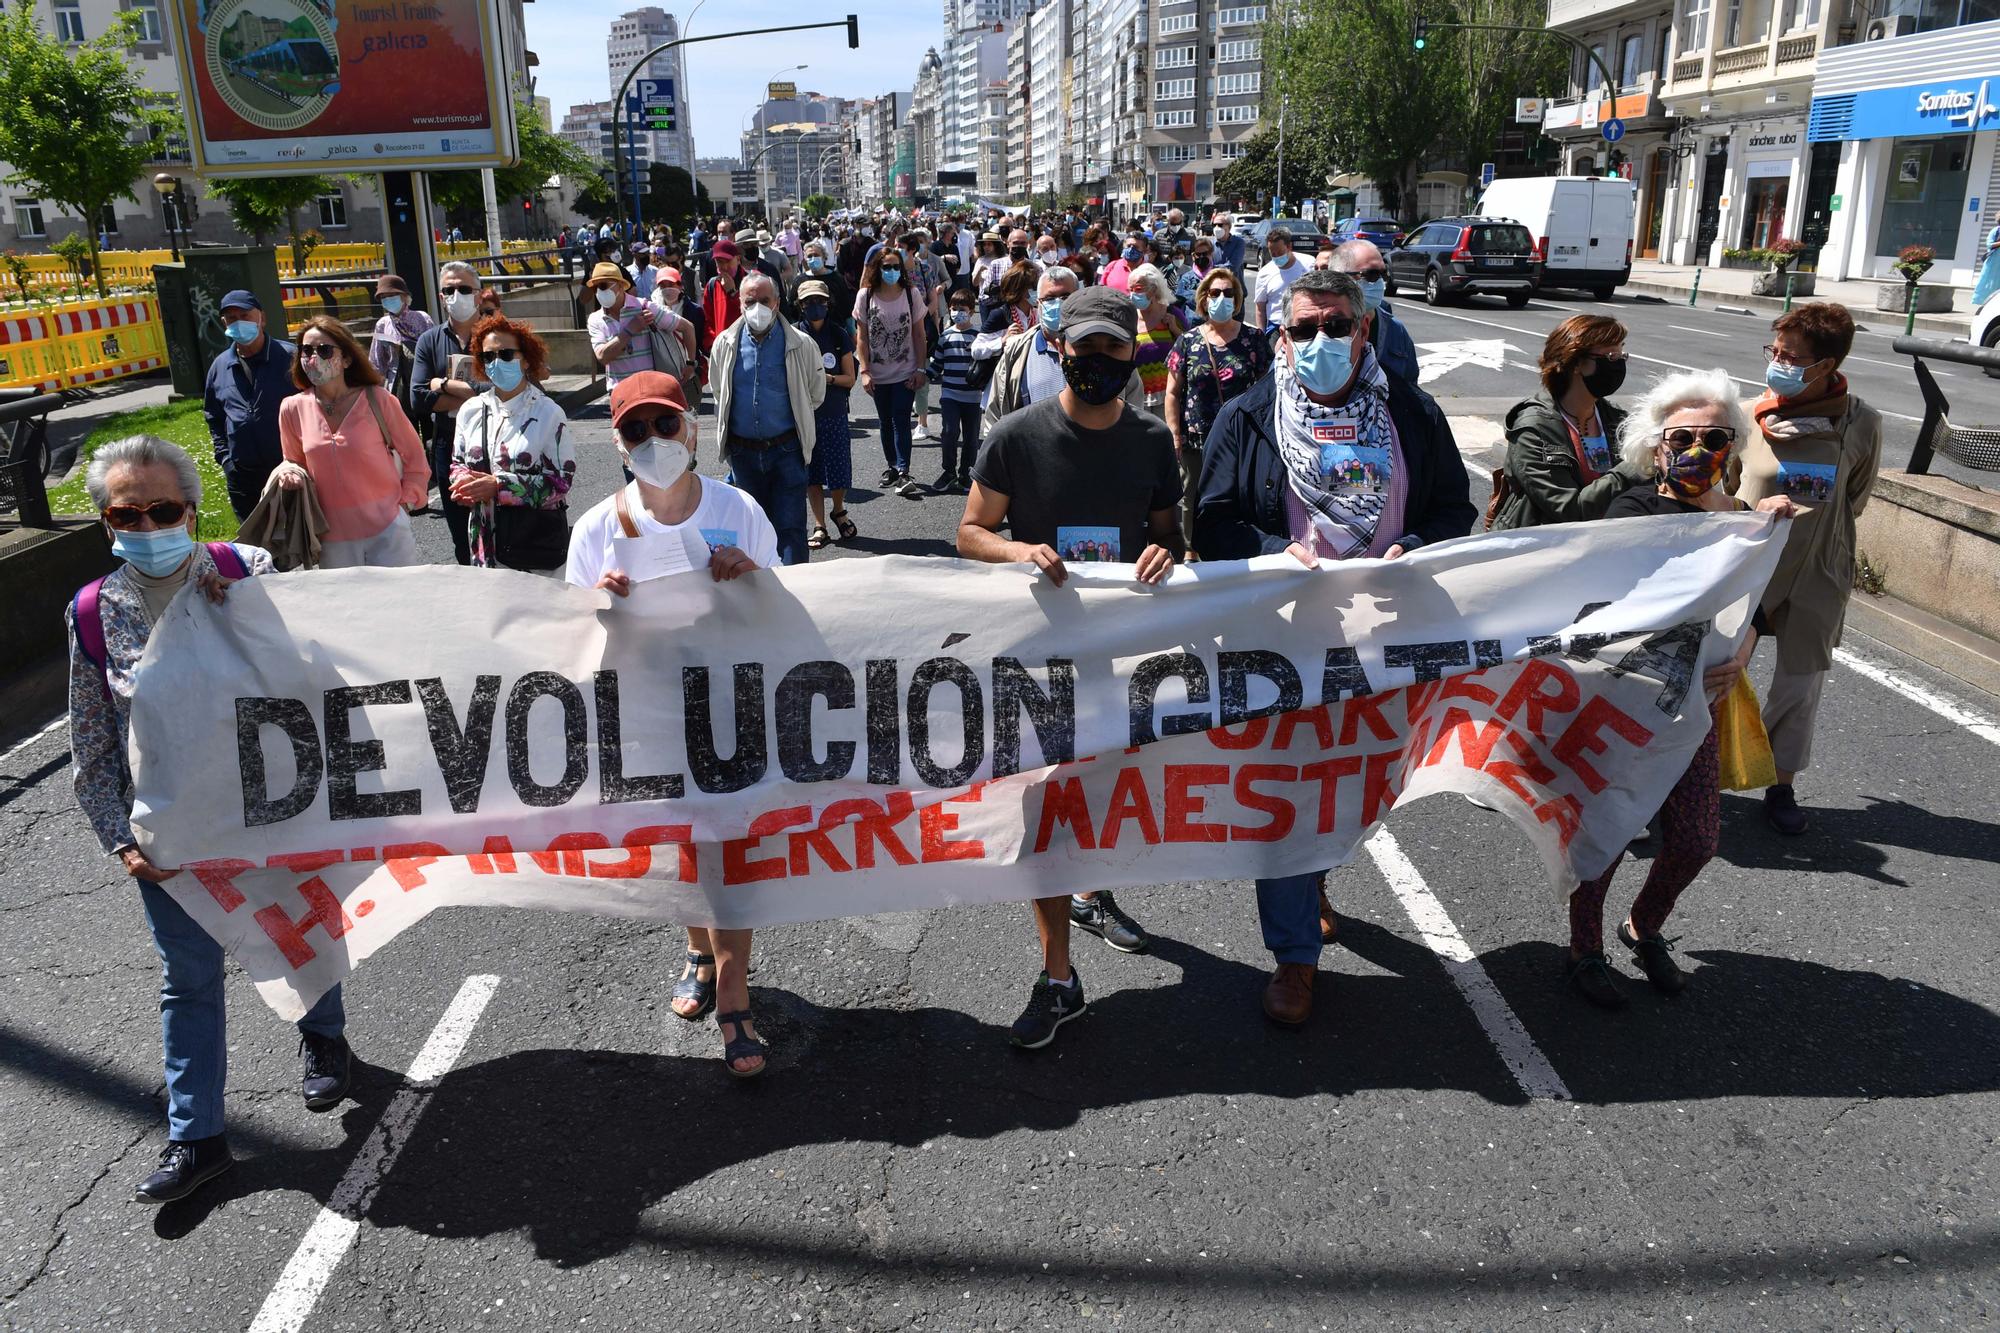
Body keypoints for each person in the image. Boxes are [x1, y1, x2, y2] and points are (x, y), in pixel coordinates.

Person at [68, 435, 355, 1203]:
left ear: (192, 511)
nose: (148, 523)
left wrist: (254, 629)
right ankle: (197, 1139)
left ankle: (325, 1040)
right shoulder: (95, 612)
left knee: (303, 932)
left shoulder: (245, 572)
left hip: (270, 817)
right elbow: (93, 746)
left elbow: (315, 682)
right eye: (128, 512)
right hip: (172, 838)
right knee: (187, 980)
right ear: (106, 522)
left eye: (163, 508)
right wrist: (121, 840)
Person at [1194, 269, 1476, 1024]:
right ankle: (1293, 957)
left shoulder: (1412, 414)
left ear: (1364, 330)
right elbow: (1212, 522)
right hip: (1283, 643)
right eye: (1304, 327)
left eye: (1337, 324)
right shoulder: (1246, 418)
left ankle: (1316, 871)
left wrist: (1414, 546)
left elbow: (1455, 507)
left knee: (1359, 783)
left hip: (1386, 640)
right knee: (1290, 791)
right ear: (1281, 338)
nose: (1322, 340)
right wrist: (1270, 556)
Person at [957, 286, 1183, 1049]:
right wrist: (1018, 549)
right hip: (1036, 660)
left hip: (1119, 660)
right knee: (1041, 819)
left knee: (1102, 805)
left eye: (1109, 351)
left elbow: (1168, 538)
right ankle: (1060, 977)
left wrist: (1165, 554)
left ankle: (1094, 891)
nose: (1094, 363)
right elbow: (970, 532)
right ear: (1060, 350)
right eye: (1082, 350)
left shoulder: (1153, 442)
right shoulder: (1016, 437)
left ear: (1133, 354)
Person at [564, 372, 776, 1077]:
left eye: (665, 425)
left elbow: (792, 615)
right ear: (620, 445)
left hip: (730, 704)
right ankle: (697, 949)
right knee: (681, 843)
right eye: (635, 429)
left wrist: (753, 579)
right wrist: (596, 603)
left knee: (729, 843)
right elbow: (564, 643)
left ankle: (735, 989)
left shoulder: (738, 508)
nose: (653, 440)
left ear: (690, 429)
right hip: (648, 708)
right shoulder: (599, 528)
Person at [1565, 369, 1795, 1007]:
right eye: (1682, 436)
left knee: (1696, 840)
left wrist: (1744, 650)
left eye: (1715, 436)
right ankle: (1584, 950)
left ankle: (1643, 928)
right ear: (1654, 445)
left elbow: (1758, 610)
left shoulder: (1745, 522)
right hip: (1627, 703)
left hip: (1696, 708)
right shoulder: (1633, 511)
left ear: (1733, 446)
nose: (1698, 449)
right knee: (1610, 830)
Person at [1732, 303, 1883, 835]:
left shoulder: (1862, 421)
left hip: (1820, 567)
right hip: (1748, 565)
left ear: (1826, 364)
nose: (1778, 362)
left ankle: (1779, 782)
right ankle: (1694, 772)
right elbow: (1727, 489)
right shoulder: (1749, 412)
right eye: (1775, 351)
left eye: (1791, 356)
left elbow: (1855, 496)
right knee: (1721, 673)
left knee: (1799, 686)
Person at [275, 316, 430, 568]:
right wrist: (289, 472)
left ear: (346, 358)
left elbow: (415, 457)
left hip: (388, 531)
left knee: (399, 605)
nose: (314, 357)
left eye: (324, 350)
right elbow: (292, 459)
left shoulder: (378, 399)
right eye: (306, 350)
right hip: (330, 539)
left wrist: (406, 502)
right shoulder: (292, 408)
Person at [709, 271, 826, 566]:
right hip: (743, 454)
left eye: (764, 300)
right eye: (751, 301)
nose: (757, 307)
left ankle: (794, 599)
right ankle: (758, 601)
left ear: (776, 302)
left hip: (787, 451)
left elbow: (815, 393)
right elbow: (718, 389)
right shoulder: (725, 343)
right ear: (740, 303)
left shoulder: (800, 343)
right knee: (749, 531)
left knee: (791, 530)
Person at [447, 314, 575, 570]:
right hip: (484, 542)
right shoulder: (471, 410)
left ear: (526, 359)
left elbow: (561, 482)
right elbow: (457, 463)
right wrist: (462, 484)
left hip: (532, 544)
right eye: (488, 356)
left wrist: (499, 486)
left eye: (505, 354)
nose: (496, 362)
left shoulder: (548, 413)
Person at [1491, 315, 1641, 530]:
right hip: (1539, 548)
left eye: (1621, 354)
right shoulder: (1534, 428)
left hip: (1603, 544)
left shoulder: (1616, 419)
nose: (1618, 364)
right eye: (1610, 355)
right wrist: (1635, 466)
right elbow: (1568, 509)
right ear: (1576, 362)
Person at [1165, 266, 1271, 544]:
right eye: (1215, 293)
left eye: (1228, 293)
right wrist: (1175, 433)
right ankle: (1190, 549)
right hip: (1196, 439)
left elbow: (1267, 389)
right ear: (1203, 298)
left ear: (1236, 300)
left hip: (1242, 438)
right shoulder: (1187, 341)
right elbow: (1173, 392)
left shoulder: (1254, 339)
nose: (1221, 298)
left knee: (1242, 494)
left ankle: (1240, 545)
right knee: (1192, 496)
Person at [983, 266, 1144, 429]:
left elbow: (1133, 415)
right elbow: (996, 414)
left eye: (1066, 296)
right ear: (1037, 303)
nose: (1058, 303)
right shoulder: (1017, 350)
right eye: (1049, 298)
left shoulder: (1106, 351)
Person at [410, 260, 486, 564]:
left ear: (479, 295)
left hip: (496, 439)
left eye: (464, 289)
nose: (456, 295)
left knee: (502, 528)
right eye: (449, 290)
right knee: (460, 534)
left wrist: (444, 385)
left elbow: (510, 389)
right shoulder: (429, 340)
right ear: (441, 297)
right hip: (449, 443)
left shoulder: (498, 335)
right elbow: (418, 398)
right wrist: (476, 394)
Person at [201, 289, 295, 521]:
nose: (239, 323)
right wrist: (225, 459)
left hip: (289, 472)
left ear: (261, 318)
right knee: (253, 547)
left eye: (245, 315)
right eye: (232, 318)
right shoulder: (220, 366)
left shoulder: (291, 358)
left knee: (298, 542)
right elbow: (214, 416)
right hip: (243, 477)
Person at [854, 244, 929, 499]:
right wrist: (864, 370)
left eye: (896, 267)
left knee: (901, 419)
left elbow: (920, 335)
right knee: (885, 422)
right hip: (877, 373)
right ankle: (891, 467)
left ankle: (904, 469)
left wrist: (920, 368)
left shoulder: (911, 294)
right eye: (886, 267)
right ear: (877, 268)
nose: (892, 271)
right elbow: (861, 337)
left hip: (905, 371)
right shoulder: (865, 296)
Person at [797, 278, 858, 549]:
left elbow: (850, 378)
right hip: (804, 413)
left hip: (833, 411)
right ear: (800, 306)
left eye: (820, 301)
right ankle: (820, 524)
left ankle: (839, 509)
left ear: (828, 303)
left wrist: (827, 380)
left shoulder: (838, 334)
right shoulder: (794, 335)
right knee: (812, 472)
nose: (815, 306)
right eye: (809, 302)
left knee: (838, 468)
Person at [1324, 240, 1418, 388]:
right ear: (1338, 278)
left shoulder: (1396, 331)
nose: (1380, 282)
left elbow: (1411, 388)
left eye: (1383, 273)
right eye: (1371, 274)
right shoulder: (1314, 330)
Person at [926, 286, 985, 494]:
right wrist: (924, 376)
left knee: (971, 438)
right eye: (953, 308)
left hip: (973, 397)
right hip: (950, 395)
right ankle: (948, 471)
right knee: (949, 433)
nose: (957, 312)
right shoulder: (946, 336)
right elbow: (937, 364)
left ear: (971, 311)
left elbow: (986, 366)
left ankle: (966, 473)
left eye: (962, 308)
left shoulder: (979, 336)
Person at [587, 261, 662, 390]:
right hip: (620, 393)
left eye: (604, 286)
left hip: (651, 389)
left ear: (621, 286)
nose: (599, 291)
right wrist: (630, 330)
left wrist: (690, 363)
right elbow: (602, 357)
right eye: (596, 288)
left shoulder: (643, 307)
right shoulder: (594, 319)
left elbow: (686, 326)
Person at [367, 275, 435, 415]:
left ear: (404, 296)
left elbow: (434, 351)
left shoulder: (422, 318)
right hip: (396, 387)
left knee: (428, 426)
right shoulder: (382, 324)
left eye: (392, 295)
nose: (388, 300)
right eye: (384, 297)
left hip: (423, 382)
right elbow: (376, 361)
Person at [1125, 263, 1183, 416]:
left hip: (1167, 394)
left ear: (1154, 289)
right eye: (1129, 290)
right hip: (1135, 395)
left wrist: (1174, 329)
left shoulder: (1173, 314)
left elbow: (1190, 348)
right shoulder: (1127, 316)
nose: (1132, 295)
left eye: (1138, 289)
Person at [1252, 227, 1305, 331]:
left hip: (1304, 326)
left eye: (1280, 252)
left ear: (1289, 246)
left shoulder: (1308, 264)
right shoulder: (1264, 273)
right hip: (1276, 327)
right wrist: (1262, 336)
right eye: (1273, 254)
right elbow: (1260, 308)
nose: (1276, 257)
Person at [702, 239, 746, 355]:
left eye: (728, 261)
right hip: (722, 351)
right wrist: (712, 345)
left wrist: (733, 293)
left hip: (747, 349)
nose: (724, 267)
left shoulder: (751, 282)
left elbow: (754, 315)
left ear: (737, 259)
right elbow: (707, 321)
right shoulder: (712, 285)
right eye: (719, 262)